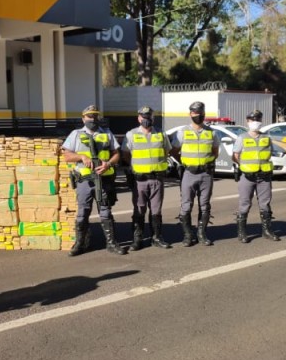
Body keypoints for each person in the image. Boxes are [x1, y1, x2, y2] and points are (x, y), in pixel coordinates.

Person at [62, 104, 127, 256]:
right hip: (84, 181)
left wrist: (108, 163)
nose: (93, 119)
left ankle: (111, 243)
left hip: (103, 180)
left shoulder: (107, 133)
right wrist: (81, 157)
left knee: (105, 211)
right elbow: (66, 155)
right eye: (90, 116)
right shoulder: (76, 134)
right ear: (83, 118)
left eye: (95, 116)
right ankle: (79, 244)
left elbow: (116, 154)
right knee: (83, 212)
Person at [121, 105, 173, 250]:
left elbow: (166, 152)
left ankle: (156, 238)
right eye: (143, 117)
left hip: (157, 179)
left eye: (149, 117)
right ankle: (137, 239)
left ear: (153, 118)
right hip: (139, 180)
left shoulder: (161, 134)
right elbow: (125, 154)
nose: (146, 119)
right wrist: (135, 166)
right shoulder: (131, 135)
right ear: (139, 118)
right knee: (139, 210)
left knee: (156, 210)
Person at [170, 101, 220, 246]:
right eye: (194, 113)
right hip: (188, 173)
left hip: (206, 173)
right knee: (186, 205)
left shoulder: (211, 132)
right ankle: (187, 235)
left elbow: (215, 152)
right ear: (190, 114)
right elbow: (173, 151)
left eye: (199, 113)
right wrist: (185, 162)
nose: (197, 116)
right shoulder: (182, 132)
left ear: (204, 114)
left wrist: (205, 161)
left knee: (204, 205)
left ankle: (202, 234)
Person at [231, 110, 280, 244]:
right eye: (252, 120)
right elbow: (235, 156)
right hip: (247, 176)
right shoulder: (242, 138)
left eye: (258, 119)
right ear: (248, 121)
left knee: (265, 203)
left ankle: (267, 231)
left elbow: (269, 154)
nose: (255, 122)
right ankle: (242, 232)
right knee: (245, 204)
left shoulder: (266, 137)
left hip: (263, 176)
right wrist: (245, 167)